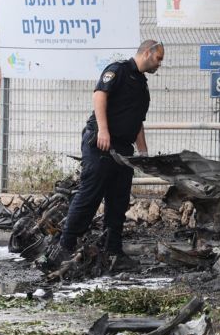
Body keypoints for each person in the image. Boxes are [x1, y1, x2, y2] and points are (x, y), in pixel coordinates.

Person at [44, 40, 165, 270]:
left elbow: (137, 121)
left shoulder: (142, 84)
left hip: (123, 150)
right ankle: (65, 247)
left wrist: (144, 153)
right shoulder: (118, 70)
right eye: (158, 58)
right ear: (147, 53)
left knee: (118, 202)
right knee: (89, 196)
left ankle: (113, 252)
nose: (159, 64)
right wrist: (103, 130)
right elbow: (99, 95)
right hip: (100, 144)